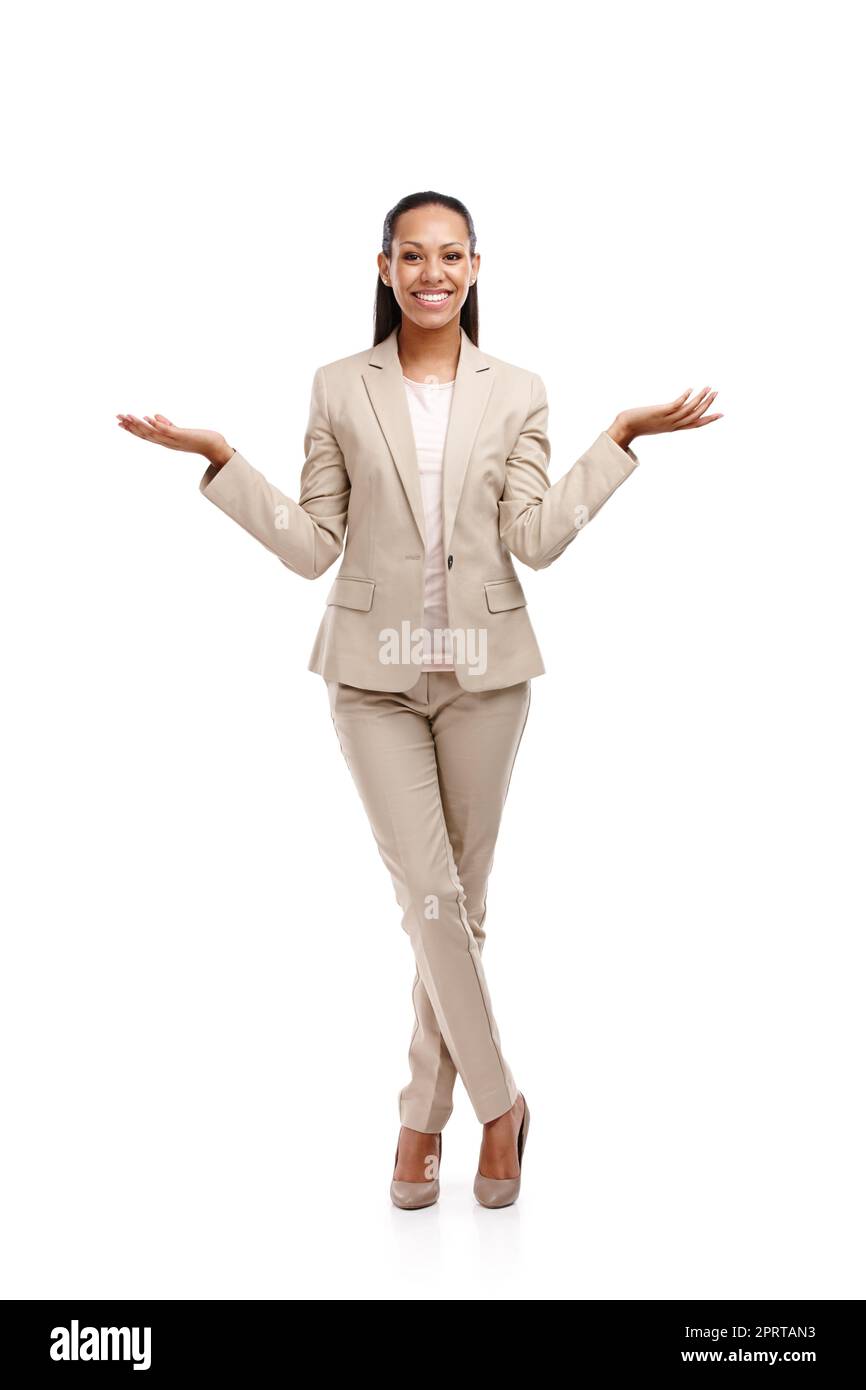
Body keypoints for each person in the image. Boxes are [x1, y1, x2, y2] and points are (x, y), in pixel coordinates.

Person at [117, 189, 721, 1210]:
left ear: (475, 267)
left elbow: (532, 539)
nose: (431, 272)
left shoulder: (518, 389)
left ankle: (414, 1126)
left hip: (485, 676)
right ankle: (497, 1106)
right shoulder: (337, 385)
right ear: (384, 269)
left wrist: (617, 436)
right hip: (370, 677)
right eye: (412, 255)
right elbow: (313, 544)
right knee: (427, 896)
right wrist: (220, 460)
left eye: (450, 255)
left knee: (458, 908)